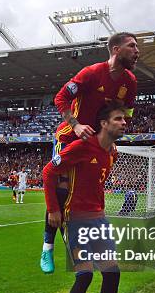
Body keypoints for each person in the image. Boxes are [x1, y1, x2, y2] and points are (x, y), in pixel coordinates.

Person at [40, 31, 139, 274]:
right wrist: (75, 124)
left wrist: (114, 136)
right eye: (132, 46)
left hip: (97, 142)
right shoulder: (92, 73)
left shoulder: (131, 83)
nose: (138, 51)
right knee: (60, 189)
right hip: (69, 136)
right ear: (116, 49)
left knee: (89, 190)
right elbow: (61, 97)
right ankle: (47, 247)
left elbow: (126, 113)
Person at [42, 102, 127, 293]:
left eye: (124, 119)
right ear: (103, 123)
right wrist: (54, 209)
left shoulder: (111, 153)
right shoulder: (80, 146)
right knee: (85, 275)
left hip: (98, 218)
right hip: (75, 218)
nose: (124, 123)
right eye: (118, 119)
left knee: (112, 274)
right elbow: (48, 172)